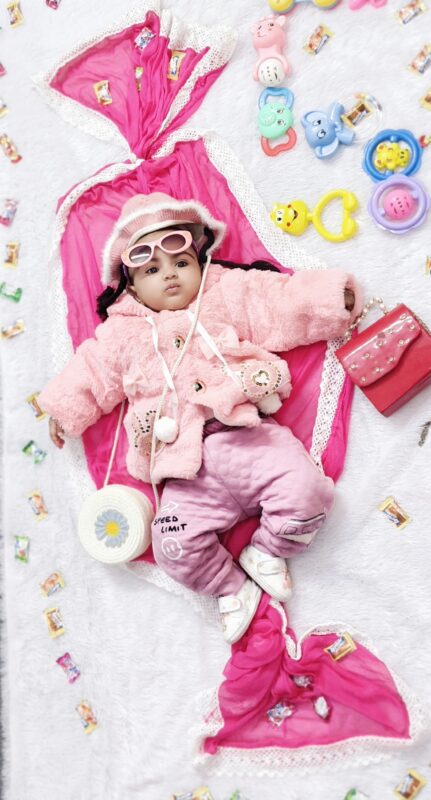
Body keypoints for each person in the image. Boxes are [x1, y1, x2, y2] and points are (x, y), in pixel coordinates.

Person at [39, 193, 362, 644]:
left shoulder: (223, 293)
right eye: (152, 270)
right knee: (171, 544)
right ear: (131, 287)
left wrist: (328, 300)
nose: (170, 274)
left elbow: (274, 301)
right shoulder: (120, 334)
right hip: (185, 471)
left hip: (249, 440)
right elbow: (92, 371)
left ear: (200, 262)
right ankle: (230, 589)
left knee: (308, 492)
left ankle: (265, 552)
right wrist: (64, 408)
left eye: (180, 262)